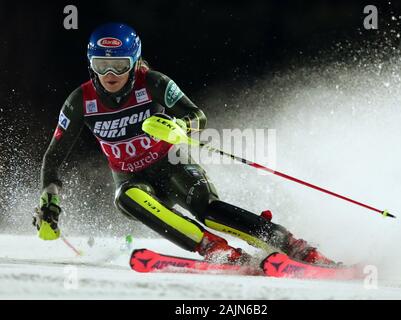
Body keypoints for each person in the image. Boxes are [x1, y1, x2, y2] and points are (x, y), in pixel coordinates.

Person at [34, 23, 335, 265]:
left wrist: (179, 127)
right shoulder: (80, 102)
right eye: (102, 65)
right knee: (125, 196)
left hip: (172, 166)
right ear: (91, 65)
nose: (110, 75)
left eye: (119, 65)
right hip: (135, 183)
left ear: (134, 62)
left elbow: (197, 116)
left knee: (208, 210)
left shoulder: (153, 83)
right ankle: (215, 250)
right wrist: (50, 202)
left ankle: (292, 245)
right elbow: (54, 156)